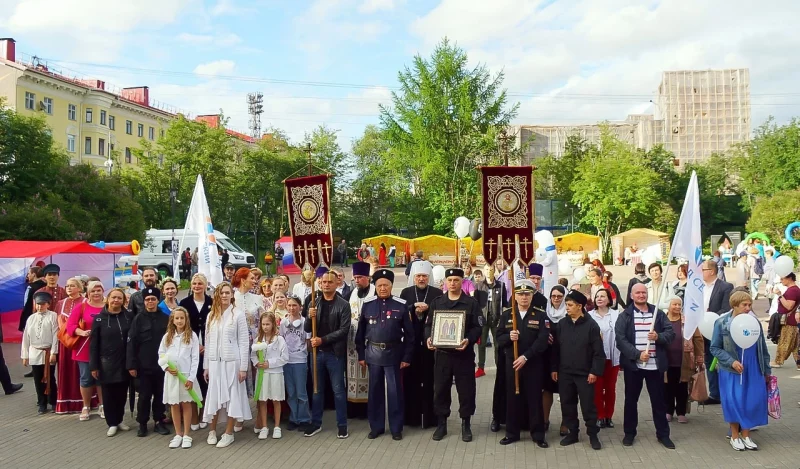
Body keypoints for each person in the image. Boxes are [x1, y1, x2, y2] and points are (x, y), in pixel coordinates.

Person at [424, 268, 482, 442]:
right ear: (445, 282)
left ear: (462, 282)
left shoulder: (471, 303)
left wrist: (468, 340)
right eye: (449, 280)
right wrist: (428, 338)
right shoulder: (437, 302)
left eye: (456, 280)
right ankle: (442, 424)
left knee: (466, 391)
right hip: (442, 355)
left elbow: (478, 327)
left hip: (463, 355)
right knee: (440, 390)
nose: (452, 283)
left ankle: (466, 424)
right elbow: (428, 325)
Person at [355, 269, 414, 440]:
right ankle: (376, 427)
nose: (382, 288)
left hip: (394, 354)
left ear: (391, 286)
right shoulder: (368, 304)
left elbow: (410, 335)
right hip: (373, 354)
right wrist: (361, 355)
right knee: (374, 392)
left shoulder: (400, 304)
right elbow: (360, 333)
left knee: (395, 393)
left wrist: (406, 357)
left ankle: (396, 428)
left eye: (386, 285)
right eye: (379, 285)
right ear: (375, 286)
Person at [615, 283, 675, 449]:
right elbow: (620, 340)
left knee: (658, 402)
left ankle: (663, 435)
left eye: (644, 292)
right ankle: (629, 433)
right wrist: (637, 354)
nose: (641, 295)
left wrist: (658, 336)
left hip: (655, 366)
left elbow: (671, 333)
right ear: (632, 295)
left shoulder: (658, 313)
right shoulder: (625, 315)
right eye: (638, 293)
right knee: (631, 401)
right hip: (634, 367)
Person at [711, 291, 770, 451]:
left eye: (749, 305)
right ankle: (734, 435)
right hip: (732, 368)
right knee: (733, 401)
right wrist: (732, 361)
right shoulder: (722, 322)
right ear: (734, 305)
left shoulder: (754, 322)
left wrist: (766, 370)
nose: (748, 308)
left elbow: (762, 348)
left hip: (753, 366)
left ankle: (746, 435)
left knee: (751, 400)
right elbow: (715, 348)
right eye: (744, 305)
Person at [496, 279, 550, 447]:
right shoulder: (507, 315)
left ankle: (538, 435)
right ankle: (512, 433)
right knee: (512, 399)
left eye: (527, 294)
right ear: (515, 296)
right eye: (520, 294)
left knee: (534, 399)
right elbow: (498, 337)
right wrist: (508, 337)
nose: (524, 297)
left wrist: (526, 356)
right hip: (512, 364)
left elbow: (542, 341)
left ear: (532, 296)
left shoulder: (540, 315)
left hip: (532, 363)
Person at [551, 290, 605, 450]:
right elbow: (555, 349)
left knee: (588, 406)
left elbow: (598, 352)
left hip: (585, 374)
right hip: (565, 373)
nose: (566, 308)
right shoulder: (562, 324)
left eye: (569, 305)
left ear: (580, 306)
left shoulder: (591, 326)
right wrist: (554, 368)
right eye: (566, 305)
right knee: (567, 404)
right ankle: (572, 433)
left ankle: (593, 435)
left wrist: (594, 371)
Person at [203, 282, 252, 448]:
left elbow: (244, 342)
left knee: (232, 396)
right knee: (214, 396)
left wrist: (243, 367)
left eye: (227, 293)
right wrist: (206, 366)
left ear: (232, 295)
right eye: (221, 293)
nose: (224, 295)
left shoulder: (238, 314)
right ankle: (212, 430)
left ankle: (229, 432)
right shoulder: (211, 316)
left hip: (233, 362)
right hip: (215, 363)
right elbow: (208, 341)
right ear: (217, 295)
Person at [304, 271, 352, 438]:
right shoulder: (314, 302)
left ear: (337, 284)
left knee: (338, 390)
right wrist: (309, 317)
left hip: (334, 353)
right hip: (316, 354)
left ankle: (342, 425)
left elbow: (344, 330)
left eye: (330, 282)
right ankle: (316, 423)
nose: (326, 285)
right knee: (317, 389)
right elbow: (307, 329)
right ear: (319, 283)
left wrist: (322, 340)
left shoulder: (343, 305)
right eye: (323, 282)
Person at [399, 260, 440, 429]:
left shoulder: (437, 293)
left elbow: (442, 312)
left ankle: (432, 417)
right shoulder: (406, 292)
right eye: (418, 276)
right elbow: (400, 312)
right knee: (411, 381)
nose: (421, 279)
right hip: (411, 344)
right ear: (414, 278)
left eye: (424, 276)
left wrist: (428, 308)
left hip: (431, 344)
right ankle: (412, 417)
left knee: (431, 381)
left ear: (428, 277)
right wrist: (412, 307)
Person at [127, 287, 171, 437]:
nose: (150, 302)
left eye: (153, 299)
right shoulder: (138, 319)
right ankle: (143, 423)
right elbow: (131, 343)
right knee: (144, 396)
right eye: (147, 299)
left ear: (158, 301)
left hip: (161, 365)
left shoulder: (166, 318)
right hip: (143, 365)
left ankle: (159, 421)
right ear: (144, 301)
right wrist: (131, 365)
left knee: (160, 395)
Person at [89, 288, 133, 437]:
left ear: (123, 300)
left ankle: (119, 419)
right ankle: (112, 423)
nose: (116, 301)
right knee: (108, 395)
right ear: (107, 299)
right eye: (113, 297)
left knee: (121, 394)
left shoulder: (128, 316)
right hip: (106, 363)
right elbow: (94, 344)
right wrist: (93, 365)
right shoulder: (99, 319)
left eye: (119, 298)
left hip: (124, 362)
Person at [158, 307, 200, 449]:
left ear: (186, 319)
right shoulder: (167, 336)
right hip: (172, 377)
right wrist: (166, 368)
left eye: (182, 318)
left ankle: (187, 434)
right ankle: (178, 434)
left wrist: (191, 378)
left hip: (186, 376)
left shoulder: (192, 336)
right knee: (174, 405)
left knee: (186, 404)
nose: (180, 320)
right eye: (177, 318)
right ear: (173, 320)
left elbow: (195, 359)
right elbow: (161, 355)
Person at [67, 280, 106, 421]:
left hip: (105, 349)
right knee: (86, 378)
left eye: (98, 290)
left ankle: (103, 405)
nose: (96, 293)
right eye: (93, 291)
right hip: (84, 349)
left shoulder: (108, 306)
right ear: (88, 293)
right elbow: (70, 326)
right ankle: (86, 406)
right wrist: (82, 332)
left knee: (102, 378)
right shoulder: (81, 307)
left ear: (103, 291)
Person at [178, 273, 212, 430]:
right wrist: (194, 345)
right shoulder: (184, 303)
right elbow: (182, 325)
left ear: (205, 285)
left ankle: (203, 414)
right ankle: (193, 417)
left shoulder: (212, 302)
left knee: (205, 382)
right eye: (194, 283)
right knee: (192, 380)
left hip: (207, 348)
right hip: (189, 347)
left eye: (200, 283)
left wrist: (207, 345)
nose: (197, 286)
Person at [663, 296, 704, 424]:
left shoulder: (687, 321)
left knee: (682, 387)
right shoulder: (662, 320)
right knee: (667, 387)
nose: (677, 307)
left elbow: (697, 338)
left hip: (684, 360)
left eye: (679, 305)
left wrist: (699, 356)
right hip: (666, 360)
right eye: (674, 304)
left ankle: (681, 412)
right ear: (668, 306)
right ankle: (668, 411)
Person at [700, 260, 734, 405]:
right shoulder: (699, 287)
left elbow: (726, 308)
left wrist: (710, 316)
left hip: (718, 329)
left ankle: (726, 393)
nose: (701, 272)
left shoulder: (725, 287)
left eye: (703, 269)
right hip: (702, 329)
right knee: (708, 361)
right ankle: (714, 394)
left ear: (711, 271)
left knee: (722, 361)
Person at [251, 312, 289, 440]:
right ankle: (264, 427)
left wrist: (270, 363)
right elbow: (252, 355)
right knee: (262, 400)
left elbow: (284, 358)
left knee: (276, 400)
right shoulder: (258, 340)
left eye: (268, 324)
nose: (265, 327)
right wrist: (257, 363)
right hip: (263, 374)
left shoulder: (279, 340)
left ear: (273, 325)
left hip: (275, 373)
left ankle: (277, 426)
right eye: (263, 324)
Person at [21, 291, 59, 414]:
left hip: (48, 351)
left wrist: (54, 352)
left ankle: (53, 401)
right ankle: (41, 403)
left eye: (42, 304)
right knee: (38, 379)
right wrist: (25, 355)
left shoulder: (53, 316)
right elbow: (26, 338)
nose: (40, 306)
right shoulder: (31, 318)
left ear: (48, 304)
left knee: (50, 377)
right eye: (38, 304)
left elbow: (55, 335)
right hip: (35, 351)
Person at [588, 288, 620, 429]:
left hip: (612, 357)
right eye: (597, 296)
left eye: (603, 296)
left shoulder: (616, 314)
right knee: (597, 389)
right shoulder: (589, 315)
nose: (599, 298)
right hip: (596, 359)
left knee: (610, 388)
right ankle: (599, 416)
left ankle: (609, 416)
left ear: (609, 299)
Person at [279, 296, 311, 432]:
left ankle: (304, 418)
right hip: (287, 361)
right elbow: (281, 340)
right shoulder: (283, 323)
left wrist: (305, 353)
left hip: (300, 360)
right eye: (290, 305)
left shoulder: (305, 323)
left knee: (301, 392)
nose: (292, 308)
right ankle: (294, 417)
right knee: (291, 392)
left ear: (300, 307)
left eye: (294, 305)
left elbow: (308, 342)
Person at [346, 262, 373, 417]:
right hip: (352, 342)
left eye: (360, 277)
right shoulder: (350, 294)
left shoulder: (376, 292)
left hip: (370, 340)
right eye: (355, 277)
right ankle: (353, 409)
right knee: (352, 375)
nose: (357, 280)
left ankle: (369, 410)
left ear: (367, 277)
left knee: (370, 376)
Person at [233, 267, 265, 399]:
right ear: (243, 280)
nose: (255, 280)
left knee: (257, 374)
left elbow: (263, 320)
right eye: (252, 278)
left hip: (255, 341)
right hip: (237, 341)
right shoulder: (232, 297)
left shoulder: (258, 298)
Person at [545, 284, 568, 436]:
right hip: (547, 356)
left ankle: (566, 422)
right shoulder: (545, 313)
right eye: (553, 296)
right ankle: (545, 420)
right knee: (546, 389)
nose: (556, 299)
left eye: (560, 296)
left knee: (566, 391)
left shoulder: (569, 312)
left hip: (566, 357)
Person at [771, 272, 800, 369]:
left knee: (784, 341)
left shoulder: (793, 291)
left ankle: (778, 361)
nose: (781, 280)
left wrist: (780, 295)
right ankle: (798, 362)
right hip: (792, 320)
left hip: (789, 321)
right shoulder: (793, 290)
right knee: (795, 344)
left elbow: (789, 306)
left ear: (790, 278)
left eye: (783, 278)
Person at [18, 265, 46, 333]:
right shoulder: (46, 286)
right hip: (45, 317)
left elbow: (26, 305)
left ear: (34, 274)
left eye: (29, 273)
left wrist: (23, 322)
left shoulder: (30, 287)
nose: (27, 276)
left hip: (31, 317)